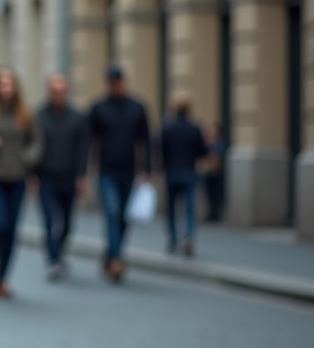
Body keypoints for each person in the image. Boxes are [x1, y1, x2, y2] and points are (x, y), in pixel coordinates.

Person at [88, 64, 151, 283]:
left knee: (124, 217)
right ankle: (116, 259)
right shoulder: (99, 108)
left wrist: (147, 169)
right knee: (112, 213)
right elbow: (89, 140)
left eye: (118, 81)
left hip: (129, 171)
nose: (115, 85)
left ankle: (111, 252)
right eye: (111, 81)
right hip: (106, 170)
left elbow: (145, 140)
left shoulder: (137, 107)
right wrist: (87, 169)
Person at [0, 68, 43, 298]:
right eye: (1, 84)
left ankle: (2, 279)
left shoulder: (25, 114)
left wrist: (27, 157)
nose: (5, 88)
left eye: (9, 84)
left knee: (10, 230)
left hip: (17, 177)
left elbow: (37, 141)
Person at [34, 73, 89, 280]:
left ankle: (59, 252)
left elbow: (83, 148)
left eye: (61, 91)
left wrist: (82, 176)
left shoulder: (77, 117)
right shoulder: (39, 116)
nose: (58, 95)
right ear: (49, 92)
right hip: (46, 177)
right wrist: (32, 174)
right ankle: (53, 259)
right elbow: (34, 146)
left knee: (66, 222)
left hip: (69, 176)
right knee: (49, 219)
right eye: (54, 91)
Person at [160, 93, 209, 256]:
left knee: (172, 208)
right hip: (188, 171)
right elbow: (202, 150)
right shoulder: (194, 128)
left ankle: (173, 237)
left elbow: (160, 149)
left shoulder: (167, 127)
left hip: (171, 171)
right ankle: (188, 235)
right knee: (189, 207)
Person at [201, 122, 226, 223]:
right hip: (208, 174)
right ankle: (211, 213)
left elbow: (217, 158)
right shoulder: (208, 143)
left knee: (216, 195)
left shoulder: (218, 144)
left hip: (216, 174)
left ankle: (215, 213)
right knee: (209, 195)